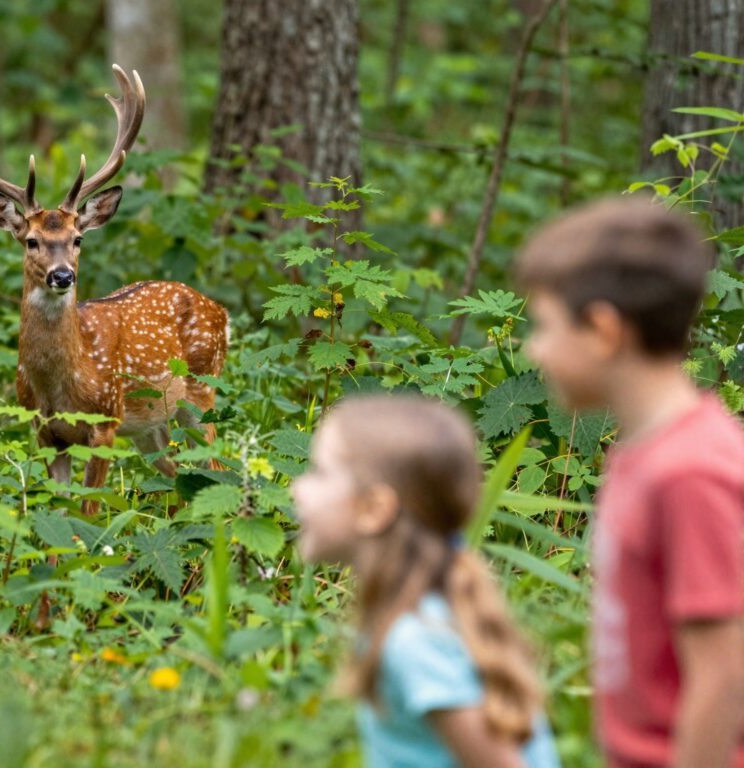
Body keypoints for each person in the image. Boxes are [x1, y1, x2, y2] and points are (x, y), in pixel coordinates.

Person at [516, 196, 744, 768]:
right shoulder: (642, 452)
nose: (532, 349)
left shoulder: (692, 472)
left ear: (601, 329)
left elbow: (723, 674)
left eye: (542, 326)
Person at [291, 395, 561, 768]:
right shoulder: (410, 616)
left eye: (318, 472)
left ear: (374, 509)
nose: (296, 488)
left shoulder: (416, 643)